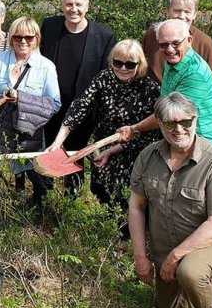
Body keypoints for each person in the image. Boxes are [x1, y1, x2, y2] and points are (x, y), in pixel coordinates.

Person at [129, 92, 212, 308]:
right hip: (166, 243)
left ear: (196, 119)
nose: (178, 129)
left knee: (190, 274)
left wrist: (175, 257)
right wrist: (141, 257)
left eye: (185, 122)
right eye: (170, 123)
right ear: (159, 124)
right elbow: (136, 206)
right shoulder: (148, 157)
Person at [45, 40, 160, 222]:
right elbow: (80, 106)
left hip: (134, 150)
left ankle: (127, 234)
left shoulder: (150, 89)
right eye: (118, 63)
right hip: (104, 141)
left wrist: (114, 149)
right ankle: (111, 228)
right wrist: (58, 142)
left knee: (125, 196)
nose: (123, 68)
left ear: (140, 64)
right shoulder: (104, 78)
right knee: (99, 188)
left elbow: (152, 132)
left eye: (130, 64)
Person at [0, 16, 61, 204]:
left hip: (28, 131)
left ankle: (41, 213)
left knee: (36, 174)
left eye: (29, 37)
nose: (23, 41)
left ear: (37, 38)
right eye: (18, 37)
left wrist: (22, 99)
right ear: (11, 38)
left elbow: (54, 104)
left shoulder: (46, 67)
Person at [40, 0, 115, 191]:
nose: (74, 9)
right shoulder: (50, 27)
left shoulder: (104, 36)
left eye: (78, 4)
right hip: (51, 107)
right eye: (69, 4)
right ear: (62, 5)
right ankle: (45, 201)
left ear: (87, 5)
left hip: (84, 112)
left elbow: (106, 78)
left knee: (75, 156)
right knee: (48, 153)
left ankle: (71, 203)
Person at [117, 19, 212, 145]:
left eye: (176, 43)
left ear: (189, 41)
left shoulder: (195, 74)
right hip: (177, 138)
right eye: (164, 44)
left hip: (198, 144)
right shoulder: (172, 62)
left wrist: (134, 128)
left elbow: (171, 114)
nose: (170, 50)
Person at [142, 0, 212, 83]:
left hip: (189, 96)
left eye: (187, 12)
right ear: (168, 11)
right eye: (177, 11)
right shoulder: (152, 35)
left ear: (194, 14)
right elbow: (140, 68)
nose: (182, 16)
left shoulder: (205, 43)